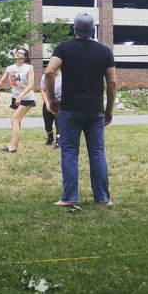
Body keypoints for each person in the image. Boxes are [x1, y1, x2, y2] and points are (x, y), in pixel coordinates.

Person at [42, 13, 116, 207]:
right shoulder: (105, 52)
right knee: (97, 152)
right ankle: (102, 198)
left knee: (69, 152)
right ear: (92, 31)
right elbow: (112, 82)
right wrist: (108, 110)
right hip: (95, 110)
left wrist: (51, 99)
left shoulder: (64, 48)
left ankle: (69, 197)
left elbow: (49, 72)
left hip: (70, 109)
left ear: (74, 29)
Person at [0, 48, 35, 154]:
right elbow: (2, 82)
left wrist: (21, 96)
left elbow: (31, 85)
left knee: (14, 120)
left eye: (20, 53)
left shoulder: (29, 68)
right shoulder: (10, 68)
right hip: (15, 97)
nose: (18, 54)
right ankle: (15, 146)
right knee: (16, 121)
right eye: (17, 52)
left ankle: (12, 148)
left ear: (25, 57)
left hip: (26, 98)